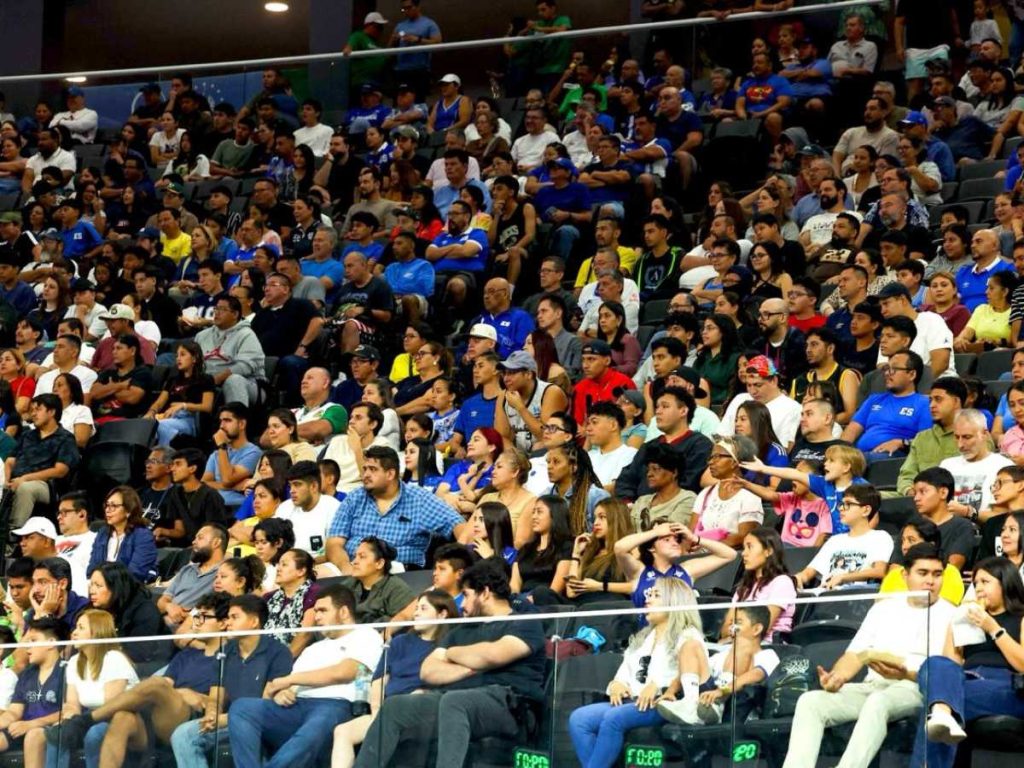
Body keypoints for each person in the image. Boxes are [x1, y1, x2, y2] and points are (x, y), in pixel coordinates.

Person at [353, 558, 546, 768]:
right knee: (396, 705)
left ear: (485, 592)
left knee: (454, 701)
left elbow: (493, 655)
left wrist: (451, 654)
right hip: (456, 699)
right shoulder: (461, 630)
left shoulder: (523, 623)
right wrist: (472, 666)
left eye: (466, 595)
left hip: (511, 705)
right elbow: (428, 671)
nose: (461, 604)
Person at [784, 542, 956, 768]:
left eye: (937, 574)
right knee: (811, 701)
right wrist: (837, 678)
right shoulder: (884, 608)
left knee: (878, 702)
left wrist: (906, 674)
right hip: (872, 685)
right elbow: (854, 654)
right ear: (905, 575)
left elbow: (950, 672)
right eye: (922, 573)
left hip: (914, 688)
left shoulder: (952, 613)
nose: (930, 581)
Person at [53, 593, 230, 766]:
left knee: (155, 683)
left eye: (204, 617)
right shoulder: (186, 655)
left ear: (222, 623)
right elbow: (165, 686)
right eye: (196, 616)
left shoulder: (227, 657)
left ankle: (87, 720)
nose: (197, 623)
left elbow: (214, 702)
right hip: (159, 714)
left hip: (188, 716)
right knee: (122, 717)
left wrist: (192, 696)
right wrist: (182, 693)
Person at [227, 583, 383, 768]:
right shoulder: (313, 648)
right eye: (315, 611)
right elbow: (287, 688)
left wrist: (290, 680)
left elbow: (345, 672)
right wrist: (281, 693)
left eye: (323, 611)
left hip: (336, 705)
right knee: (243, 707)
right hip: (297, 706)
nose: (317, 617)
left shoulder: (367, 635)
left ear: (343, 612)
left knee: (318, 724)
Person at [568, 576, 697, 768]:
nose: (648, 599)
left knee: (614, 718)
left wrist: (660, 687)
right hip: (632, 701)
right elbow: (624, 671)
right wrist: (617, 684)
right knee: (579, 719)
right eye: (648, 594)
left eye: (655, 595)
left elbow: (690, 672)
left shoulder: (688, 635)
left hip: (663, 704)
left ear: (674, 601)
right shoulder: (643, 636)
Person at [912, 557, 1024, 768]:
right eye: (975, 583)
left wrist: (993, 628)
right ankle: (942, 712)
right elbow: (949, 666)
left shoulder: (1020, 617)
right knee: (934, 664)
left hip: (1008, 686)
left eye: (985, 582)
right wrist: (956, 626)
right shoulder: (966, 619)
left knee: (937, 708)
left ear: (1006, 582)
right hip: (967, 680)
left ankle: (941, 714)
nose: (978, 588)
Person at [325, 446, 467, 573]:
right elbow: (334, 543)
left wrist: (459, 560)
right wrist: (345, 567)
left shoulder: (419, 499)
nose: (366, 475)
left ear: (390, 474)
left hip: (398, 571)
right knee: (319, 573)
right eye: (365, 469)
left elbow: (458, 524)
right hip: (352, 567)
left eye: (373, 469)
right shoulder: (355, 497)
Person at [40, 609, 139, 768]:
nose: (74, 633)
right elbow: (72, 704)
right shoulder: (74, 661)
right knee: (57, 734)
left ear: (96, 632)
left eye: (81, 628)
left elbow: (111, 706)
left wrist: (81, 722)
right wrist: (69, 719)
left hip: (120, 719)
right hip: (89, 718)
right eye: (75, 627)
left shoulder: (114, 658)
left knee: (94, 734)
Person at [792, 484, 893, 589]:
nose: (840, 508)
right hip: (825, 595)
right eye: (841, 504)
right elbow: (808, 573)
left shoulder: (880, 537)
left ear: (866, 510)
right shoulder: (835, 540)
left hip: (855, 597)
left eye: (848, 504)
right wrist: (797, 578)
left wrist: (843, 577)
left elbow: (879, 571)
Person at [0, 618, 67, 768]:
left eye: (33, 640)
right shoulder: (27, 674)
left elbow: (69, 711)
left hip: (52, 728)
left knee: (34, 735)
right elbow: (14, 712)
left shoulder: (67, 670)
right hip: (23, 726)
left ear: (50, 643)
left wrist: (32, 724)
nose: (27, 647)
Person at [842, 349, 931, 460]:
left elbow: (927, 441)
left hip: (895, 458)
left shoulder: (924, 403)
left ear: (912, 374)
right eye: (886, 368)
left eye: (894, 369)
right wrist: (839, 450)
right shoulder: (874, 399)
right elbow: (852, 429)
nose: (887, 373)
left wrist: (901, 442)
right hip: (862, 456)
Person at [5, 394, 78, 529]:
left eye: (38, 409)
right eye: (32, 410)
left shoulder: (65, 438)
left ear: (51, 412)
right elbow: (10, 461)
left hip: (46, 485)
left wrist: (25, 478)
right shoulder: (27, 435)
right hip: (16, 479)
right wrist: (6, 479)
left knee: (26, 489)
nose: (33, 414)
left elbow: (60, 470)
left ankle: (12, 535)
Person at [86, 562, 168, 664]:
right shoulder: (94, 609)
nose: (92, 591)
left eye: (98, 586)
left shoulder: (144, 611)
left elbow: (139, 653)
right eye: (91, 585)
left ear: (115, 587)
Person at [692, 436, 765, 548]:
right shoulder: (705, 494)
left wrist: (707, 547)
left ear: (735, 462)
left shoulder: (750, 496)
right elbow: (691, 532)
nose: (710, 462)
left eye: (717, 457)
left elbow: (744, 537)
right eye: (711, 457)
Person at [155, 524, 227, 629]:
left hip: (194, 628)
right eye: (195, 538)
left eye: (200, 538)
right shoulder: (186, 570)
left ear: (216, 543)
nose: (194, 542)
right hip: (164, 624)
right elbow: (162, 601)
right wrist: (169, 606)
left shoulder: (225, 573)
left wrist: (187, 615)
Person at [158, 448, 229, 548]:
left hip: (205, 548)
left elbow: (215, 534)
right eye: (173, 464)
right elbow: (180, 531)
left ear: (192, 468)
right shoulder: (176, 493)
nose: (173, 469)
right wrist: (164, 531)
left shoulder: (211, 496)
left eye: (178, 464)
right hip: (182, 548)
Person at [85, 486, 158, 584]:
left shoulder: (142, 536)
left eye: (113, 506)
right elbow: (92, 569)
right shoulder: (103, 533)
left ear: (128, 511)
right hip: (101, 588)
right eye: (107, 505)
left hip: (128, 590)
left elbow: (135, 574)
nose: (108, 510)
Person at [202, 402, 261, 508]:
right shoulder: (216, 454)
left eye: (228, 421)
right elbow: (203, 484)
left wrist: (221, 445)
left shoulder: (253, 452)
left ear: (242, 424)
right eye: (221, 421)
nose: (221, 426)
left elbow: (227, 479)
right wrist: (234, 487)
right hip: (213, 506)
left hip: (236, 508)